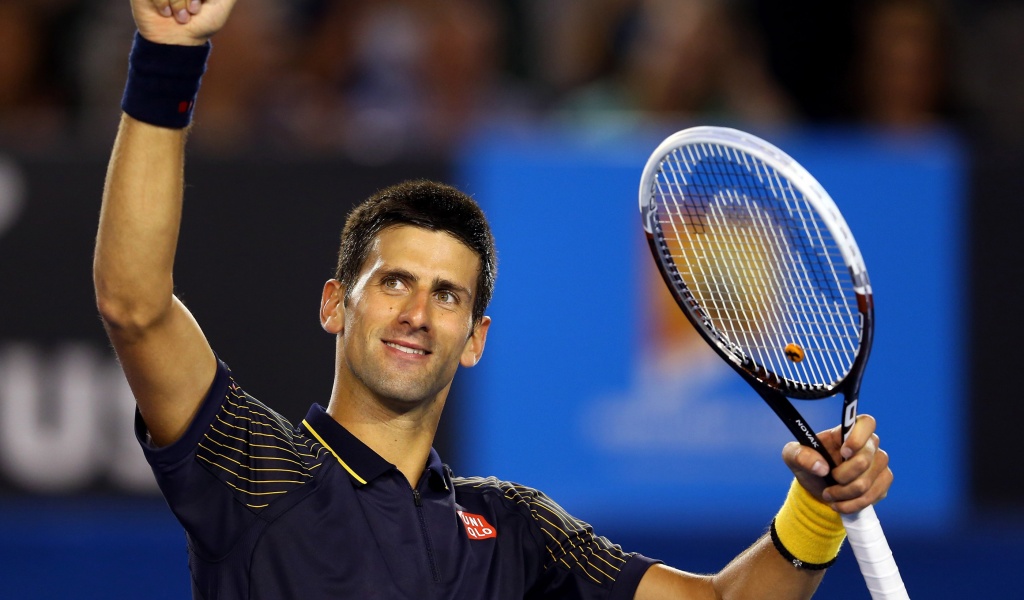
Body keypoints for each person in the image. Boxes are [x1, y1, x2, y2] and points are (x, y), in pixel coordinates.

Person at [93, 1, 893, 598]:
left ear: (474, 339)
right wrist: (170, 54)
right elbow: (135, 304)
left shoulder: (518, 532)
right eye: (394, 282)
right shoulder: (257, 468)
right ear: (336, 304)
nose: (417, 313)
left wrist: (816, 509)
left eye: (447, 296)